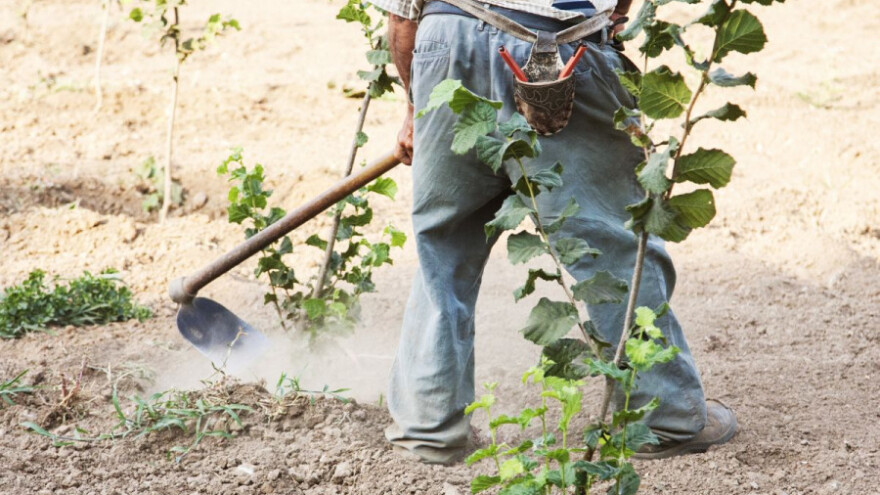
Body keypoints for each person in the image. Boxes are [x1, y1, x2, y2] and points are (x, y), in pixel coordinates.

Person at [369, 0, 738, 464]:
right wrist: (615, 18)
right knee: (609, 240)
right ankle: (662, 416)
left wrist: (414, 107)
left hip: (447, 43)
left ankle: (428, 428)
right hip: (560, 52)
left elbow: (402, 17)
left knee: (442, 248)